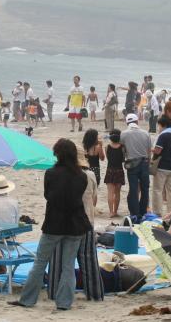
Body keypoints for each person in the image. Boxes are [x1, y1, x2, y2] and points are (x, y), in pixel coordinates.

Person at [10, 139, 92, 311]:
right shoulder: (82, 176)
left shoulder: (51, 173)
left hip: (54, 223)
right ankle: (64, 303)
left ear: (57, 154)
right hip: (75, 224)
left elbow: (48, 195)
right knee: (68, 266)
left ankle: (28, 299)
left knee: (40, 262)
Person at [121, 113, 152, 221]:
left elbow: (122, 148)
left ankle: (134, 213)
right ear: (137, 122)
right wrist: (148, 163)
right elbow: (149, 151)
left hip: (132, 164)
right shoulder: (146, 133)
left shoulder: (123, 134)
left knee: (133, 189)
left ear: (127, 123)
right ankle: (143, 212)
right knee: (145, 188)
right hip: (144, 163)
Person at [151, 115, 171, 215]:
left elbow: (158, 151)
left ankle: (157, 212)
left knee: (158, 190)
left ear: (162, 125)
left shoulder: (163, 136)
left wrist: (151, 150)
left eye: (159, 126)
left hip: (162, 166)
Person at [104, 128, 125, 217]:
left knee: (110, 192)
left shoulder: (107, 147)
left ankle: (110, 212)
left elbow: (108, 158)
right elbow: (123, 159)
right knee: (117, 193)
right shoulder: (122, 147)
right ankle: (115, 211)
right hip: (119, 170)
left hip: (110, 170)